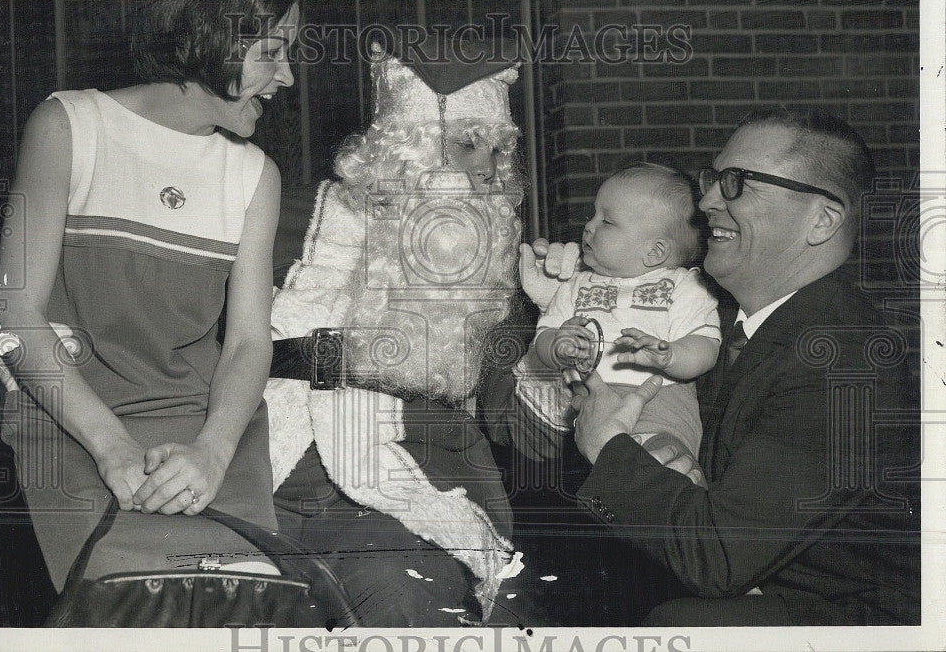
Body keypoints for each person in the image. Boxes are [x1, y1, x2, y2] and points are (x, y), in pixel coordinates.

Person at [0, 0, 303, 607]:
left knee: (248, 605)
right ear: (212, 36)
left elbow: (250, 341)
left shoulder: (254, 176)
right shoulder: (69, 126)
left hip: (205, 427)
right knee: (133, 606)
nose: (286, 76)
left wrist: (215, 452)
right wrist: (111, 447)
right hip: (73, 419)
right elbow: (14, 310)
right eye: (272, 50)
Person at [566, 109, 920, 625]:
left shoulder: (842, 361)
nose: (707, 201)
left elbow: (719, 556)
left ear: (821, 220)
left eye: (738, 184)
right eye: (713, 179)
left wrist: (606, 444)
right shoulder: (715, 318)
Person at [265, 35, 537, 626]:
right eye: (469, 147)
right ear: (414, 148)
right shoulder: (290, 225)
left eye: (498, 150)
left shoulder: (501, 267)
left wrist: (559, 335)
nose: (490, 171)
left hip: (428, 478)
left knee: (399, 592)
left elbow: (526, 429)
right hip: (282, 471)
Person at [514, 163, 719, 466]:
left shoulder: (685, 287)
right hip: (586, 404)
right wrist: (557, 345)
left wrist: (671, 356)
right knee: (593, 471)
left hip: (659, 398)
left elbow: (705, 345)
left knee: (666, 460)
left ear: (655, 252)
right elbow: (544, 335)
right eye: (592, 214)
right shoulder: (576, 284)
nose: (589, 226)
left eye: (607, 221)